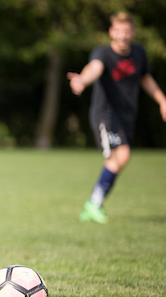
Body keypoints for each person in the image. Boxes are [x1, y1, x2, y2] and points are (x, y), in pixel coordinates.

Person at [67, 12, 166, 223]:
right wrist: (82, 80)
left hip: (126, 115)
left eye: (126, 31)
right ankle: (94, 204)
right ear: (112, 32)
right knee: (119, 157)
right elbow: (94, 68)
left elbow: (146, 79)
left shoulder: (139, 54)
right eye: (118, 31)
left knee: (119, 159)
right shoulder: (103, 53)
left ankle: (94, 204)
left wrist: (162, 100)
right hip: (105, 115)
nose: (122, 35)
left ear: (133, 32)